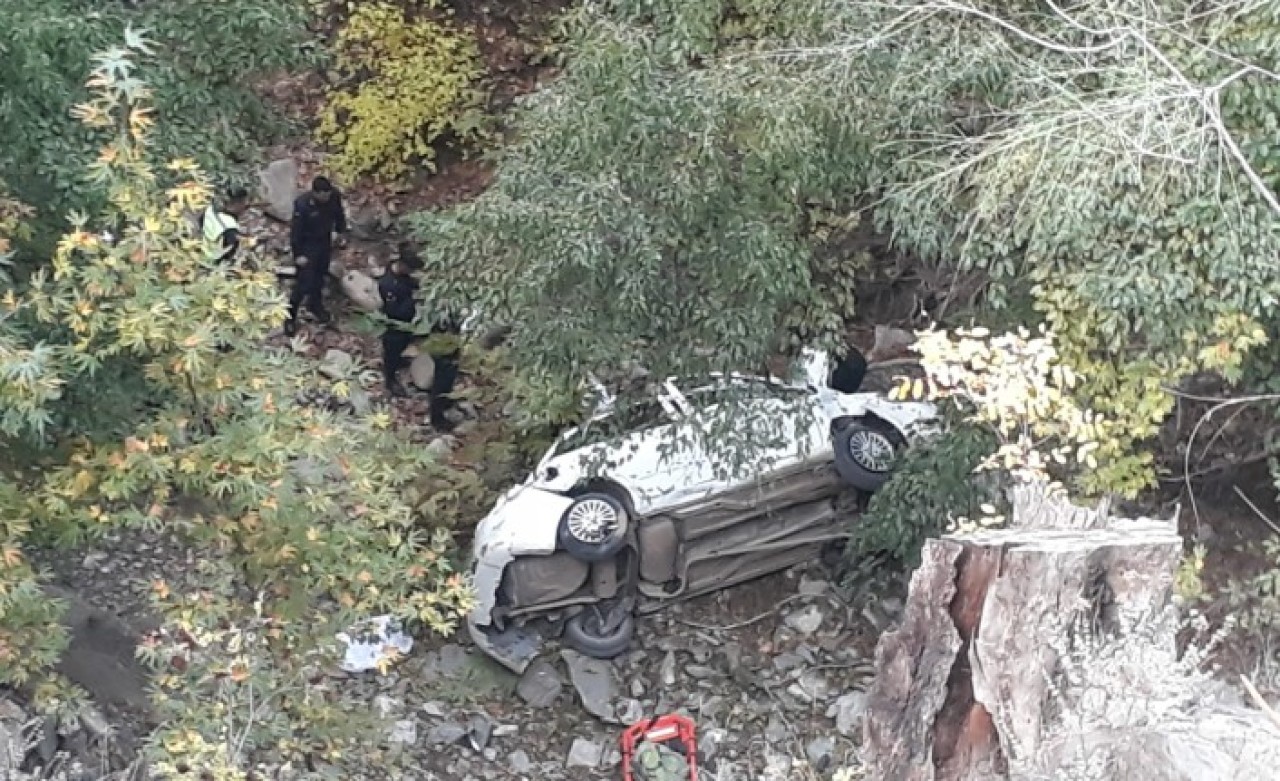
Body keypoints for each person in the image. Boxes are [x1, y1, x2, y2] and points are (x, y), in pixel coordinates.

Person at [285, 176, 347, 336]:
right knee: (303, 284)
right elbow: (296, 232)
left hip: (324, 241)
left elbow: (339, 214)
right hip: (307, 245)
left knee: (320, 276)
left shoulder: (334, 196)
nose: (327, 197)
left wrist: (339, 231)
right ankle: (290, 317)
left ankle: (315, 305)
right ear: (315, 193)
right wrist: (298, 254)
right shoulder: (303, 205)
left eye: (328, 193)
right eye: (323, 194)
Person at [378, 244, 423, 397]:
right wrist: (413, 300)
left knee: (404, 343)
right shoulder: (388, 284)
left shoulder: (403, 278)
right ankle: (390, 379)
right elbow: (394, 311)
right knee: (392, 350)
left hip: (407, 321)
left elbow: (410, 283)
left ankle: (398, 360)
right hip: (394, 324)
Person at [200, 187, 249, 263]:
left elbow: (201, 220)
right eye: (244, 203)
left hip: (201, 245)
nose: (244, 207)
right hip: (211, 260)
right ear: (238, 203)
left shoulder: (211, 209)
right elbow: (228, 253)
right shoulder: (230, 229)